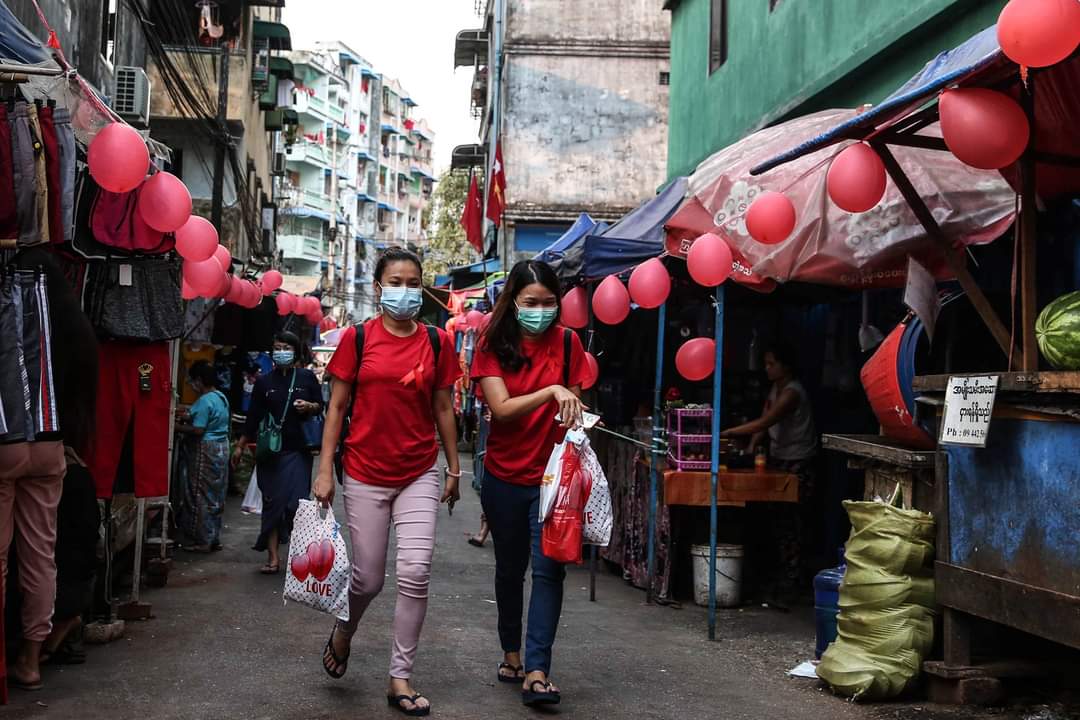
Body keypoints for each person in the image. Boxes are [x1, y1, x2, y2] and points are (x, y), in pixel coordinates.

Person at [313, 247, 461, 717]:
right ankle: (345, 627)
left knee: (415, 573)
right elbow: (336, 408)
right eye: (396, 281)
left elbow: (443, 409)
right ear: (379, 289)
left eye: (413, 281)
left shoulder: (439, 342)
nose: (405, 289)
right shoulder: (357, 339)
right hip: (364, 471)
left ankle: (400, 677)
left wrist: (454, 468)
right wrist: (324, 469)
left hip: (420, 469)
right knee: (368, 578)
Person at [471, 259, 587, 708]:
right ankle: (512, 653)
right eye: (530, 303)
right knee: (509, 570)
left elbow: (576, 405)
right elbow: (500, 409)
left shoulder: (570, 344)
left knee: (548, 571)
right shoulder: (492, 343)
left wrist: (574, 411)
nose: (541, 311)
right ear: (513, 303)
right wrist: (551, 392)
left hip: (553, 482)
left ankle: (538, 671)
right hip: (504, 476)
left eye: (549, 303)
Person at [1, 247, 98, 691]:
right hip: (52, 447)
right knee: (41, 556)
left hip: (8, 443)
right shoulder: (72, 329)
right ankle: (30, 659)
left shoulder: (10, 319)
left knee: (1, 556)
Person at [721, 341, 818, 607]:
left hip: (798, 462)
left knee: (793, 525)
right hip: (779, 459)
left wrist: (729, 432)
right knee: (778, 523)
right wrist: (751, 448)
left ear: (785, 365)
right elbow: (763, 427)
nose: (766, 368)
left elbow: (767, 421)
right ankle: (781, 579)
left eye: (771, 363)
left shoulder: (792, 392)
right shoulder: (775, 389)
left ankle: (793, 583)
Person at [233, 331, 323, 574]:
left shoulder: (306, 378)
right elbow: (253, 418)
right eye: (276, 347)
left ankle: (296, 551)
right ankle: (273, 558)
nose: (280, 351)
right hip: (270, 455)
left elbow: (320, 406)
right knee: (272, 504)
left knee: (295, 505)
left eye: (285, 347)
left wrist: (310, 406)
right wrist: (240, 445)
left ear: (294, 351)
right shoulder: (264, 382)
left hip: (298, 452)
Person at [175, 360, 231, 552]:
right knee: (215, 495)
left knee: (199, 494)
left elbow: (198, 429)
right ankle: (212, 537)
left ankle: (202, 540)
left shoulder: (205, 400)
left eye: (192, 381)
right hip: (220, 448)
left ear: (199, 380)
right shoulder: (220, 397)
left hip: (205, 450)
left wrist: (175, 427)